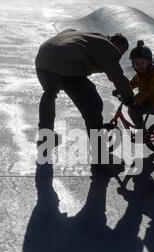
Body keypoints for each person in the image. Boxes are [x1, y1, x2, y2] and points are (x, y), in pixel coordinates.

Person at [35, 29, 135, 166]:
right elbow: (115, 74)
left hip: (43, 62)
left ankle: (45, 138)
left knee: (49, 93)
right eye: (121, 52)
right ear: (117, 43)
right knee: (94, 106)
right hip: (67, 66)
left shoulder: (84, 35)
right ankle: (101, 158)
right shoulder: (109, 47)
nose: (119, 56)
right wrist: (128, 96)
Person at [114, 40, 154, 130]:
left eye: (142, 62)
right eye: (136, 64)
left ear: (149, 62)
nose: (140, 66)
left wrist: (132, 100)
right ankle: (141, 128)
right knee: (132, 109)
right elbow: (131, 84)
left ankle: (142, 133)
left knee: (134, 110)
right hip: (145, 102)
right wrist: (120, 89)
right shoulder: (140, 75)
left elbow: (147, 91)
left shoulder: (153, 75)